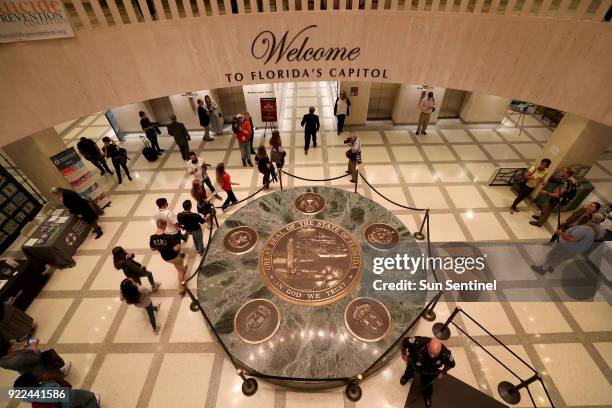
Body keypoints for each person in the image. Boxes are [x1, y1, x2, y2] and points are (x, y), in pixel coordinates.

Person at [531, 212, 606, 273]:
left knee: (552, 255)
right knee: (561, 257)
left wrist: (561, 233)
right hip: (577, 249)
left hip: (567, 246)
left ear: (590, 218)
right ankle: (552, 267)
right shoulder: (600, 229)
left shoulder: (585, 229)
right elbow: (599, 237)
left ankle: (543, 269)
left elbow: (571, 239)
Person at [400, 336, 455, 407]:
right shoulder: (418, 342)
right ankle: (407, 376)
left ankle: (427, 395)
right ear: (428, 345)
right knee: (408, 371)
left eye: (436, 354)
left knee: (427, 384)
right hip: (414, 364)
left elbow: (451, 364)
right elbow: (403, 342)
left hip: (429, 371)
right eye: (431, 352)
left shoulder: (445, 353)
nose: (433, 356)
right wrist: (403, 354)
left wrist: (443, 372)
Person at [0, 335, 71, 379]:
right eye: (10, 346)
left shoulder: (2, 361)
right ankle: (62, 376)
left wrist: (28, 342)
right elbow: (37, 357)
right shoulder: (18, 359)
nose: (12, 345)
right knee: (51, 373)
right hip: (38, 368)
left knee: (46, 375)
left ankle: (60, 374)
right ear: (6, 349)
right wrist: (34, 347)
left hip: (27, 370)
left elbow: (15, 343)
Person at [14, 372, 100, 408]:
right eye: (35, 376)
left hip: (57, 405)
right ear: (34, 383)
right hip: (70, 401)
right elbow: (68, 386)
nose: (38, 374)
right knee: (90, 397)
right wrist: (52, 377)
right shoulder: (50, 387)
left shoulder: (23, 396)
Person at [149, 219, 187, 296]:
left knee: (177, 265)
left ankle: (182, 268)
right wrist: (178, 245)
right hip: (174, 256)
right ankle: (181, 288)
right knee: (180, 271)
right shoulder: (168, 237)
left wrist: (160, 247)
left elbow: (152, 248)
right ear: (164, 226)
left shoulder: (152, 238)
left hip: (165, 258)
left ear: (157, 225)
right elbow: (176, 248)